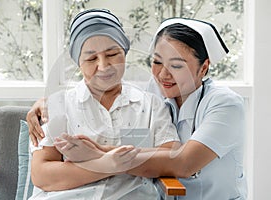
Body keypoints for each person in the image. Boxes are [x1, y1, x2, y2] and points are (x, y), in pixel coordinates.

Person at [28, 16, 248, 200]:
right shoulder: (158, 90)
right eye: (157, 62)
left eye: (177, 65)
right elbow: (42, 173)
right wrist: (47, 103)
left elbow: (182, 162)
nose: (163, 74)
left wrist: (100, 156)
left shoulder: (224, 104)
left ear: (204, 68)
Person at [28, 9, 180, 200]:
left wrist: (94, 157)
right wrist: (109, 164)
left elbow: (173, 160)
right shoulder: (56, 106)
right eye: (91, 58)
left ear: (124, 53)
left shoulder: (151, 106)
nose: (104, 66)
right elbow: (42, 175)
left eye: (112, 54)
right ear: (78, 63)